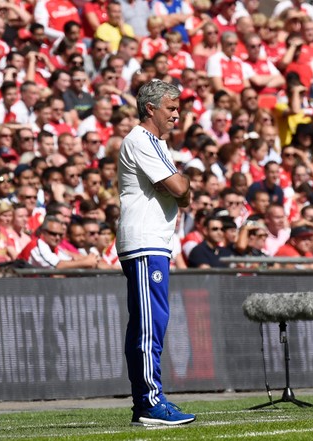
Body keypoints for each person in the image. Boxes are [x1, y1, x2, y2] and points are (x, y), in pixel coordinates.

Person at [116, 80, 196, 426]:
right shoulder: (140, 139)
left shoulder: (157, 143)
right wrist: (181, 185)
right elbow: (180, 188)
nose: (177, 115)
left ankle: (147, 401)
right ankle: (150, 403)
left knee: (148, 324)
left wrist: (182, 188)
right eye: (171, 108)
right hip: (145, 241)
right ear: (150, 108)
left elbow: (184, 195)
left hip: (153, 242)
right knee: (150, 326)